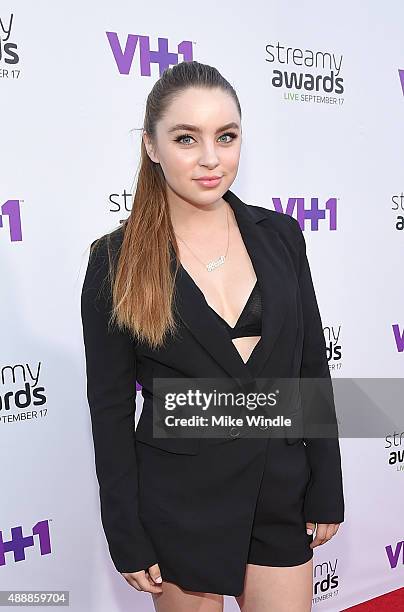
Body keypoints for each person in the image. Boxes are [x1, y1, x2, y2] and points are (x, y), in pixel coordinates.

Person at [81, 60, 344, 612]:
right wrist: (125, 532)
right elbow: (108, 411)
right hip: (180, 503)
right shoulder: (116, 262)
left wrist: (326, 484)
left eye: (226, 136)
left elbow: (310, 368)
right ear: (151, 146)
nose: (210, 158)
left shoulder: (281, 237)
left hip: (279, 489)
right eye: (186, 138)